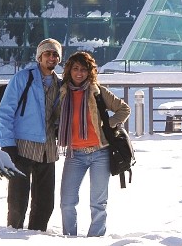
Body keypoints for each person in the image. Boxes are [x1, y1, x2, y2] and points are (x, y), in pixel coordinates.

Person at [57, 51, 130, 237]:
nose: (79, 73)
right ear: (69, 71)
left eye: (83, 69)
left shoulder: (98, 91)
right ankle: (69, 238)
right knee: (67, 201)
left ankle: (95, 239)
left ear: (90, 72)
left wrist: (109, 124)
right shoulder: (62, 92)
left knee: (98, 203)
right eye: (75, 69)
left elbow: (124, 109)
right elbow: (51, 116)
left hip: (100, 153)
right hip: (74, 154)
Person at [0, 38, 63, 231]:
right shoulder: (23, 78)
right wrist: (7, 143)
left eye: (55, 54)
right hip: (22, 147)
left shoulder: (60, 85)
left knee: (45, 203)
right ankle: (13, 235)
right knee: (18, 201)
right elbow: (5, 112)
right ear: (39, 57)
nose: (51, 57)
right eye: (47, 54)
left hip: (48, 149)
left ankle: (36, 237)